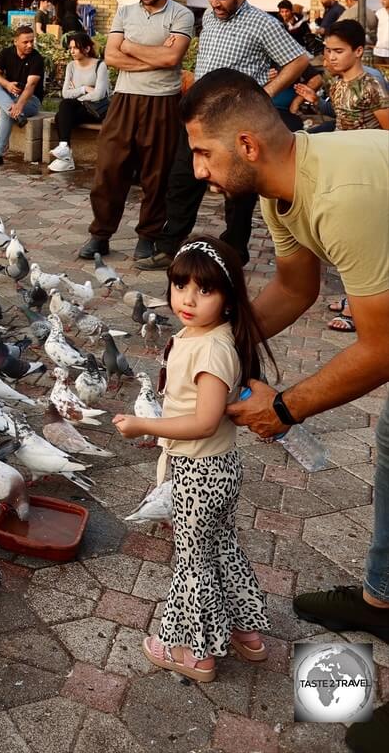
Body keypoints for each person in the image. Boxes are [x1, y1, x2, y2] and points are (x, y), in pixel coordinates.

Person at [176, 70, 389, 751]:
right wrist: (214, 351)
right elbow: (295, 287)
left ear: (246, 144)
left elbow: (382, 348)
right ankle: (383, 600)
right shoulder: (282, 189)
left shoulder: (342, 197)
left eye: (204, 154)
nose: (198, 170)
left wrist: (286, 408)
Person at [113, 235, 271, 684]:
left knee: (192, 560)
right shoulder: (208, 335)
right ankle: (246, 632)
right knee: (221, 548)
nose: (188, 298)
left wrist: (145, 426)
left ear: (227, 298)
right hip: (218, 469)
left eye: (205, 290)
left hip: (200, 473)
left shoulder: (212, 350)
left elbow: (203, 421)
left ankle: (192, 652)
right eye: (180, 285)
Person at [154, 0, 312, 268]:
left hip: (234, 120)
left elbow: (298, 59)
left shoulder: (261, 23)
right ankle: (170, 244)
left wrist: (265, 93)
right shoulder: (211, 17)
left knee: (237, 189)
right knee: (182, 179)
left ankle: (235, 250)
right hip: (200, 116)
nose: (215, 3)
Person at [79, 0, 195, 263]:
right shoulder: (126, 11)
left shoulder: (181, 15)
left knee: (156, 174)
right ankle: (100, 234)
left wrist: (130, 46)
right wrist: (153, 55)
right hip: (125, 99)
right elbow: (112, 57)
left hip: (163, 101)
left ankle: (148, 236)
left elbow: (172, 60)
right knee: (108, 169)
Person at [295, 19, 389, 131]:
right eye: (329, 51)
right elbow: (341, 115)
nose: (332, 57)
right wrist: (316, 100)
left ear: (358, 51)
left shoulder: (371, 86)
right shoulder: (337, 84)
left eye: (338, 51)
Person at [0, 25, 45, 168]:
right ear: (15, 41)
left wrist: (19, 106)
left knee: (6, 112)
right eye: (25, 42)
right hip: (10, 96)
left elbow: (31, 86)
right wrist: (7, 85)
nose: (30, 45)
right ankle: (16, 115)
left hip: (31, 100)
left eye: (32, 41)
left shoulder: (37, 58)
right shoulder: (6, 53)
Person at [48, 33, 111, 171]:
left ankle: (66, 156)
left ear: (87, 49)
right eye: (70, 48)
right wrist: (84, 89)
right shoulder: (71, 66)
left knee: (61, 115)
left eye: (76, 48)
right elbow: (65, 94)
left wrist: (76, 93)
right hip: (80, 108)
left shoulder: (100, 65)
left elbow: (99, 94)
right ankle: (64, 149)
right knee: (64, 108)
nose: (72, 51)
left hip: (96, 110)